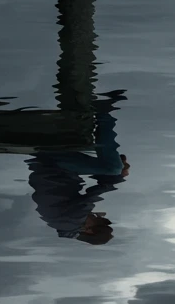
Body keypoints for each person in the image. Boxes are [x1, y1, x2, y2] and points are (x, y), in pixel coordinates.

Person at [27, 96, 130, 245]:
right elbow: (93, 192)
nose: (97, 216)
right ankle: (100, 115)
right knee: (112, 169)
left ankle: (103, 112)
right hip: (56, 169)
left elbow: (93, 194)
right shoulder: (64, 224)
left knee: (113, 168)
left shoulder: (71, 221)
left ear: (89, 230)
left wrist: (119, 176)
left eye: (98, 220)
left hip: (52, 164)